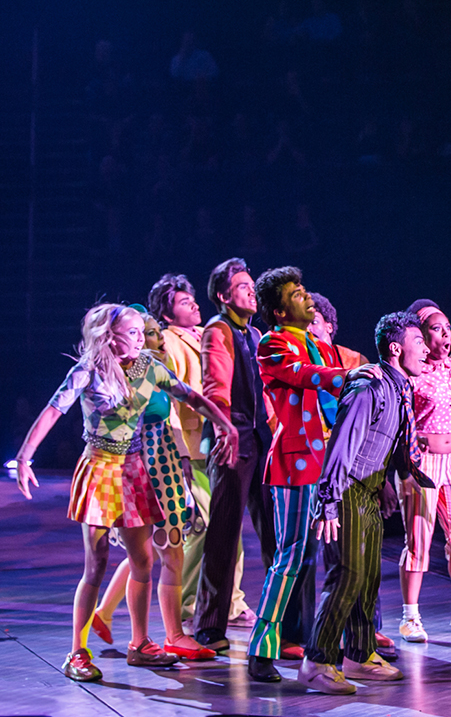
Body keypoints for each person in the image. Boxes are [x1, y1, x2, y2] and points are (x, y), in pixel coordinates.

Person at [14, 304, 237, 682]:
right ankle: (77, 652)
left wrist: (224, 424)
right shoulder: (89, 369)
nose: (140, 338)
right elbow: (53, 410)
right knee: (97, 563)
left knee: (143, 560)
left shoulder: (149, 367)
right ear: (109, 335)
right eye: (132, 332)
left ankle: (140, 643)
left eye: (140, 332)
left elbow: (190, 396)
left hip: (134, 470)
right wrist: (25, 456)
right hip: (100, 467)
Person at [300, 311, 432, 693]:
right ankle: (317, 660)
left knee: (369, 577)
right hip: (346, 489)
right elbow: (343, 446)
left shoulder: (400, 388)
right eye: (418, 342)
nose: (426, 349)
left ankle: (359, 654)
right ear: (395, 349)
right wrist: (328, 502)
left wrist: (389, 481)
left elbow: (382, 440)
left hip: (370, 488)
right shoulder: (369, 387)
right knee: (348, 574)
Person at [90, 310, 217, 661]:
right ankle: (136, 635)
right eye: (144, 333)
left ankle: (173, 635)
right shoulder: (119, 376)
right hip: (139, 469)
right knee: (144, 555)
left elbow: (180, 409)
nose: (154, 339)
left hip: (166, 466)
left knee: (171, 550)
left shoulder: (156, 370)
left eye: (155, 332)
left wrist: (184, 462)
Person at [193, 259, 299, 654]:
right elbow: (214, 386)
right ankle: (209, 627)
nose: (251, 291)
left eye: (252, 285)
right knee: (224, 533)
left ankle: (283, 626)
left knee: (276, 532)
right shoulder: (217, 330)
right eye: (242, 286)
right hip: (234, 438)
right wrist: (224, 429)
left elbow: (269, 391)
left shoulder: (255, 334)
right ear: (223, 295)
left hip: (263, 439)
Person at [246, 266, 342, 682]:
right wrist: (348, 375)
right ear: (279, 312)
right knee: (289, 557)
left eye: (305, 290)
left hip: (328, 462)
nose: (307, 297)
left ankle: (326, 643)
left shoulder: (319, 345)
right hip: (296, 460)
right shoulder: (273, 343)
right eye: (296, 294)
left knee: (322, 558)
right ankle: (260, 648)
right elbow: (304, 376)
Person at [146, 273, 252, 626]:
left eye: (191, 298)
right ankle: (189, 603)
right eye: (182, 302)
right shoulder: (169, 342)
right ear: (167, 314)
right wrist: (178, 453)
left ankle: (231, 601)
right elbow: (170, 401)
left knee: (229, 524)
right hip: (192, 448)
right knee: (203, 527)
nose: (192, 304)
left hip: (218, 444)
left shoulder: (210, 332)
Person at [395, 300, 451, 642]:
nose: (445, 334)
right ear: (420, 334)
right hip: (423, 461)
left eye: (447, 328)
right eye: (435, 328)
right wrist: (405, 466)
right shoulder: (413, 372)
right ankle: (410, 617)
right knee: (419, 538)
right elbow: (400, 420)